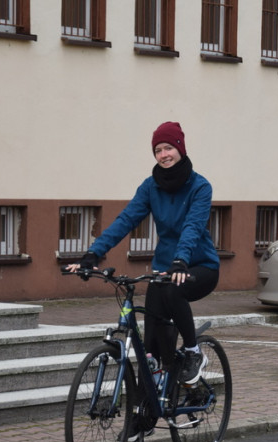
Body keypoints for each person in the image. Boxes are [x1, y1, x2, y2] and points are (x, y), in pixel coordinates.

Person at [67, 121, 220, 421]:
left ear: (180, 148)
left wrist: (180, 261)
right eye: (158, 150)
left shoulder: (200, 187)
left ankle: (192, 352)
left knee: (174, 289)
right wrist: (92, 254)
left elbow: (192, 227)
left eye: (168, 148)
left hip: (198, 266)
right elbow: (126, 219)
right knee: (149, 349)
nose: (163, 155)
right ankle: (142, 419)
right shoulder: (151, 186)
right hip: (165, 269)